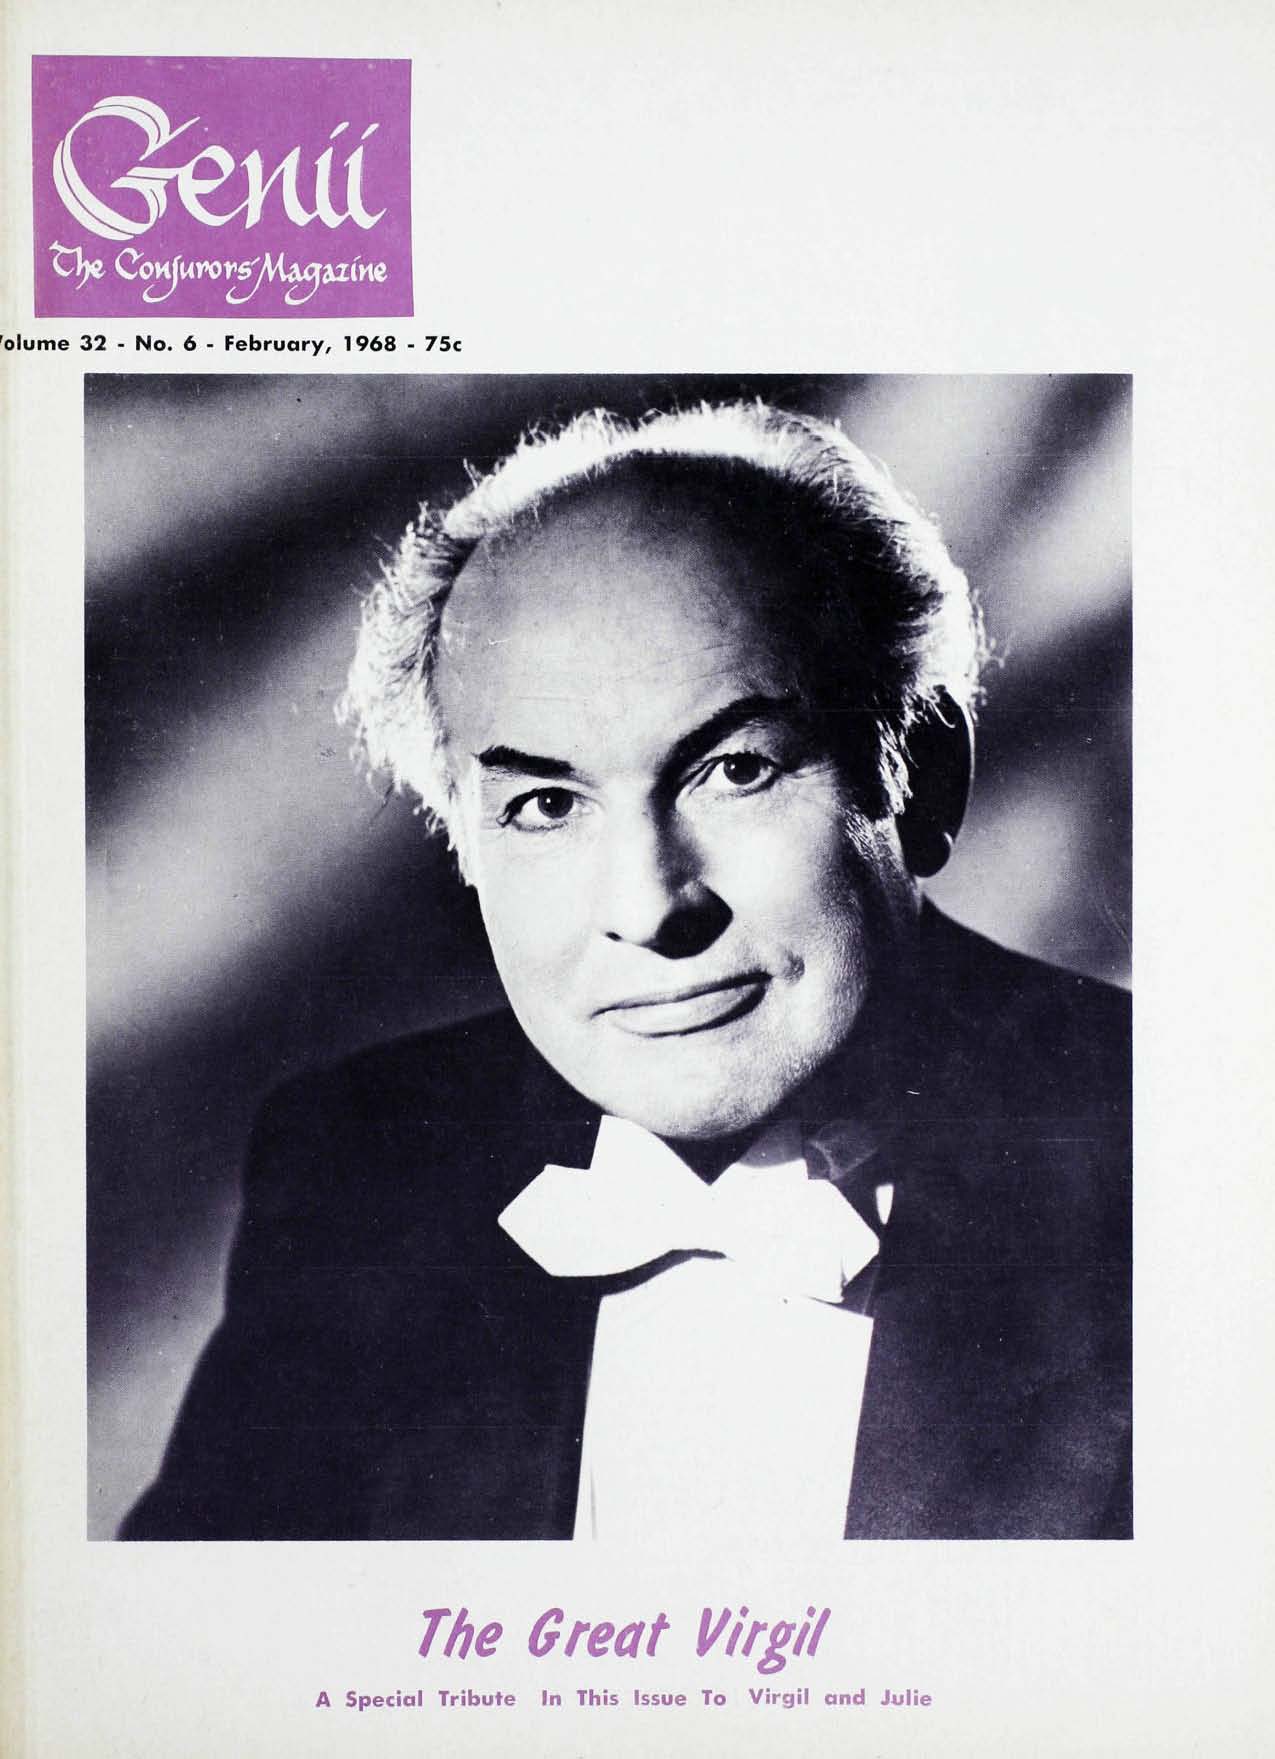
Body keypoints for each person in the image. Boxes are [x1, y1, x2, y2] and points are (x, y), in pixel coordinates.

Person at [121, 402, 1131, 1542]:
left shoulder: (1176, 1153)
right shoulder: (360, 1168)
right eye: (546, 805)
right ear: (465, 842)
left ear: (925, 772)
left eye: (736, 769)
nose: (649, 909)